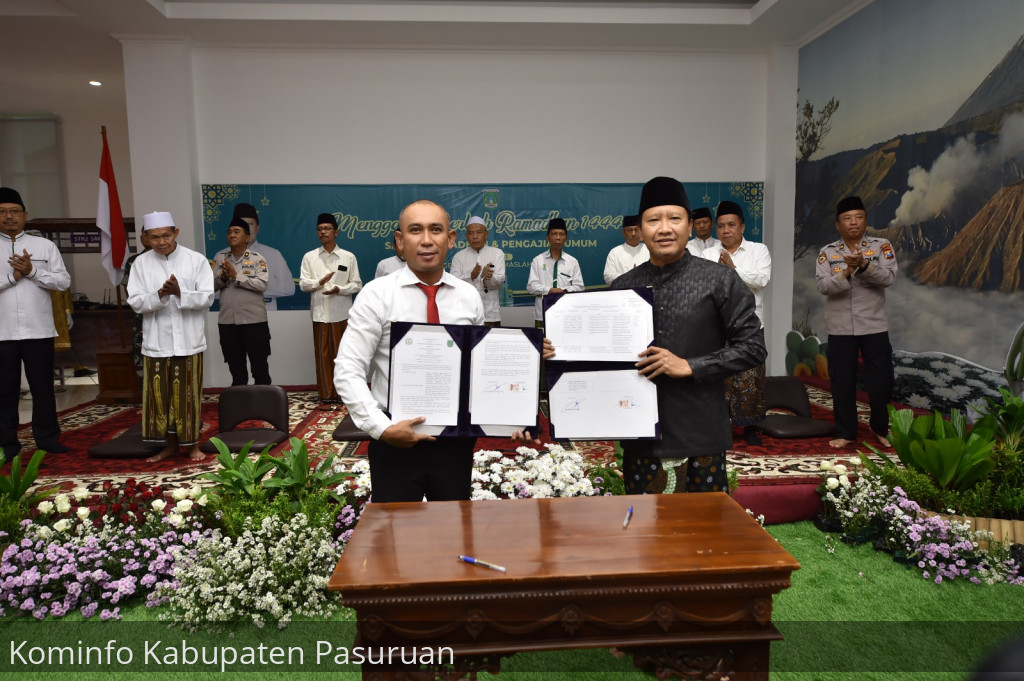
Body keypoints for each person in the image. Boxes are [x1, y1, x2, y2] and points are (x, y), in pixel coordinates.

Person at [547, 177, 765, 495]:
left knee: (703, 536)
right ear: (641, 228)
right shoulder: (622, 287)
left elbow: (753, 347)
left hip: (700, 433)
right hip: (639, 434)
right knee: (646, 536)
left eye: (674, 218)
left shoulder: (719, 280)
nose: (664, 228)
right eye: (654, 220)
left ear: (690, 226)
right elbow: (600, 359)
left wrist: (690, 365)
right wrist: (560, 352)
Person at [334, 200, 484, 503]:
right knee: (397, 538)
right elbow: (347, 370)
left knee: (452, 529)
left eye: (436, 230)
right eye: (415, 230)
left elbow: (480, 370)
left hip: (455, 441)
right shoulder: (376, 295)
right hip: (395, 437)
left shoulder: (468, 296)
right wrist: (382, 428)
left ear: (451, 239)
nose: (426, 240)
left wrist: (513, 414)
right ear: (400, 241)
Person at [126, 211, 215, 462]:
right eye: (154, 237)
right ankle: (170, 446)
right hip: (157, 343)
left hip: (189, 341)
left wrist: (180, 292)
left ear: (176, 233)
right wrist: (160, 295)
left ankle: (193, 445)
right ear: (145, 238)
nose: (161, 241)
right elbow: (135, 301)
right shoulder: (141, 264)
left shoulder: (196, 260)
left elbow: (207, 297)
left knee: (187, 397)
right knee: (160, 398)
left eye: (166, 235)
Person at [816, 196, 897, 449]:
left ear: (865, 220)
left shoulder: (882, 246)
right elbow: (824, 286)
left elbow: (889, 278)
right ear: (838, 225)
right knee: (842, 382)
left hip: (874, 326)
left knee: (881, 381)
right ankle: (846, 431)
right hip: (840, 328)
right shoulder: (827, 253)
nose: (853, 223)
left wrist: (864, 265)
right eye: (847, 219)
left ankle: (880, 427)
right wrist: (847, 272)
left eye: (858, 217)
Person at [0, 187, 71, 460]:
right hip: (2, 331)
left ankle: (48, 438)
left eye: (15, 211)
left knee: (43, 387)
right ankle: (7, 444)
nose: (9, 217)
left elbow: (63, 282)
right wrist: (11, 278)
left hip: (38, 329)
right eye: (3, 212)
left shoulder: (44, 246)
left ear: (25, 215)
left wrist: (32, 271)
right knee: (4, 390)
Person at [716, 200, 772, 446]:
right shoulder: (707, 253)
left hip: (750, 324)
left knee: (750, 377)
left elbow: (761, 280)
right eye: (721, 226)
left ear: (742, 227)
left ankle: (750, 427)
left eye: (731, 225)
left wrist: (733, 270)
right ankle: (720, 425)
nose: (726, 230)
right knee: (718, 377)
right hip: (716, 326)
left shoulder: (759, 250)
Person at [299, 212, 362, 407]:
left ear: (336, 232)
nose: (323, 232)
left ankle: (344, 395)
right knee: (322, 356)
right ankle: (326, 395)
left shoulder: (348, 257)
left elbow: (357, 285)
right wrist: (320, 282)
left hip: (341, 314)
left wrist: (339, 289)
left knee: (343, 357)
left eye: (327, 229)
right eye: (320, 229)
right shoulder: (310, 257)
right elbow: (303, 284)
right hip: (320, 315)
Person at [212, 216, 271, 386]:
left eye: (237, 232)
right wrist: (222, 278)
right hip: (228, 322)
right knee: (236, 370)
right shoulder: (220, 257)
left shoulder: (257, 258)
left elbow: (262, 285)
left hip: (254, 321)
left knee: (259, 368)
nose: (232, 235)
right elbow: (210, 286)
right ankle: (241, 406)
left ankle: (264, 406)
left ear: (247, 237)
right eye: (229, 232)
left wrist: (236, 276)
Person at [225, 202, 295, 310]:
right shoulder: (222, 256)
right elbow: (214, 291)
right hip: (232, 314)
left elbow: (288, 288)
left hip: (267, 313)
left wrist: (242, 287)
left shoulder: (273, 254)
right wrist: (260, 286)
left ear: (257, 228)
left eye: (249, 224)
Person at [526, 218, 584, 328]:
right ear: (547, 237)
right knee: (543, 344)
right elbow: (531, 286)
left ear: (566, 238)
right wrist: (550, 290)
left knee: (566, 343)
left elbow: (580, 287)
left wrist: (564, 291)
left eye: (561, 234)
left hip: (566, 312)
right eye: (554, 234)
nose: (558, 237)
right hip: (542, 314)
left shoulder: (572, 262)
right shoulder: (538, 260)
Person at [450, 216, 506, 326]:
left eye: (479, 232)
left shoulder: (497, 253)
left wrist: (489, 277)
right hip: (465, 314)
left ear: (486, 234)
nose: (475, 237)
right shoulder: (459, 256)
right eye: (471, 233)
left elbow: (499, 280)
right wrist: (470, 276)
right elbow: (453, 283)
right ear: (466, 236)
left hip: (490, 314)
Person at [121, 229, 151, 373]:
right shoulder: (134, 261)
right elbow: (129, 290)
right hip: (142, 319)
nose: (145, 238)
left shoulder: (171, 259)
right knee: (142, 364)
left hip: (166, 317)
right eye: (143, 235)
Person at [603, 214, 649, 284]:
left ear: (641, 231)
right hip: (623, 292)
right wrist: (629, 276)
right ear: (623, 232)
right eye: (630, 230)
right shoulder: (615, 252)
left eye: (636, 230)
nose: (633, 233)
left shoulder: (649, 249)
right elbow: (608, 276)